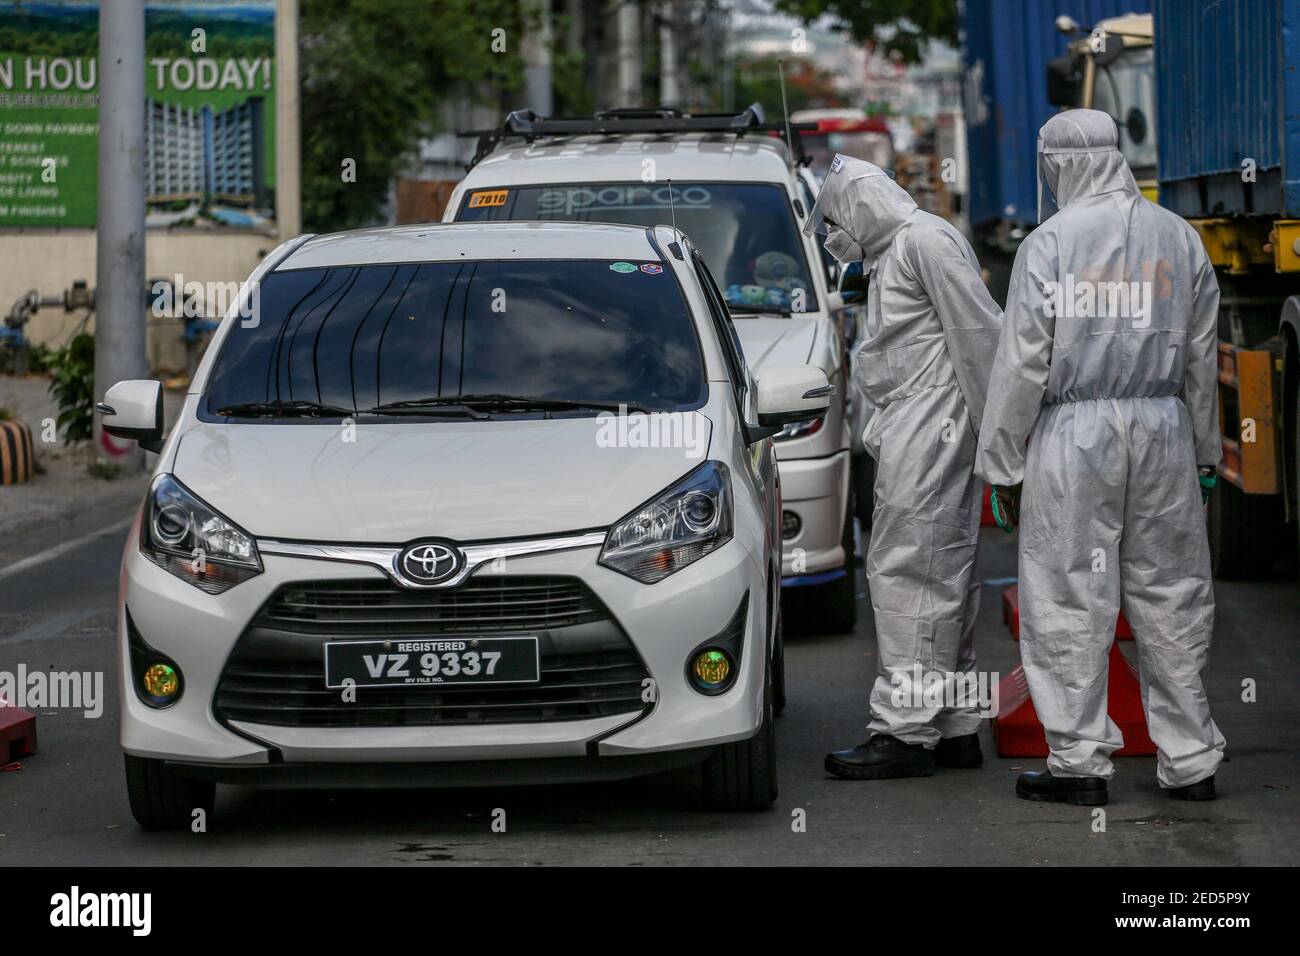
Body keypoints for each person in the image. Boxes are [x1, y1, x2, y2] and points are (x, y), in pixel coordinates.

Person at [976, 109, 1226, 806]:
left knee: (1067, 594)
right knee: (1172, 592)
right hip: (1165, 431)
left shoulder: (1050, 243)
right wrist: (1205, 451)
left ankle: (1080, 765)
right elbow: (1203, 359)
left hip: (1074, 436)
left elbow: (1022, 363)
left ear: (1057, 163)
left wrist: (1003, 464)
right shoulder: (1179, 238)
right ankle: (1191, 759)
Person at [805, 156, 1003, 779]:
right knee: (945, 576)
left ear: (860, 207)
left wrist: (1002, 441)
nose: (835, 232)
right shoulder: (898, 250)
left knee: (909, 576)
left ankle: (904, 731)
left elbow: (981, 339)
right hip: (918, 427)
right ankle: (956, 726)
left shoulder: (925, 241)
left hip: (932, 429)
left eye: (837, 218)